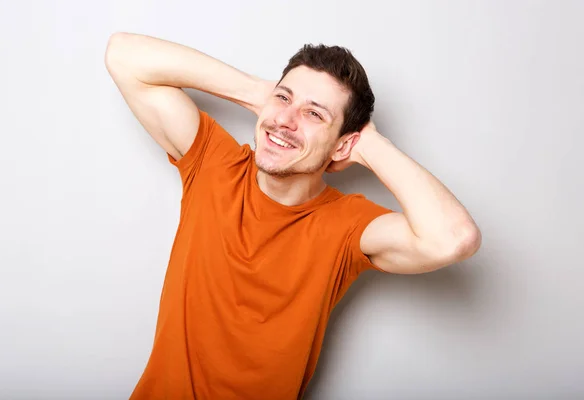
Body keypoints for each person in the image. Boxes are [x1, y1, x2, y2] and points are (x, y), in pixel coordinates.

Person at [104, 32, 481, 400]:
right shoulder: (213, 164)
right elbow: (123, 54)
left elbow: (454, 238)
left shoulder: (347, 226)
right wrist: (259, 94)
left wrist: (369, 144)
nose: (286, 120)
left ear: (343, 144)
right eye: (284, 98)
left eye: (313, 114)